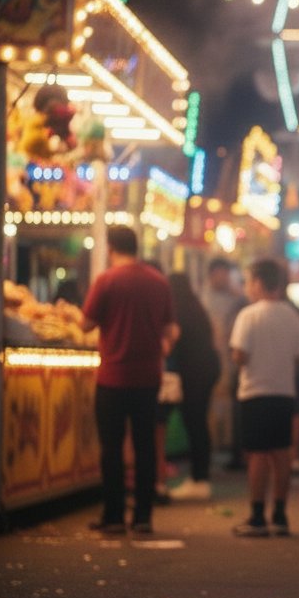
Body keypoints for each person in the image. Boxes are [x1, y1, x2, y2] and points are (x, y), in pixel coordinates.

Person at [81, 226, 177, 535]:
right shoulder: (159, 282)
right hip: (148, 377)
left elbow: (85, 324)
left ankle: (113, 516)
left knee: (112, 448)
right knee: (145, 446)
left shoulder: (106, 280)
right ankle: (143, 517)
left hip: (112, 376)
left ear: (110, 248)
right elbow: (171, 329)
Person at [229, 258, 299, 537]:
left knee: (258, 455)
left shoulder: (248, 316)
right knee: (282, 453)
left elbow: (240, 355)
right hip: (284, 393)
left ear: (259, 283)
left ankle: (258, 516)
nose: (248, 288)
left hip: (254, 393)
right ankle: (281, 514)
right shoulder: (292, 316)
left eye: (249, 281)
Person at [167, 273, 222, 500]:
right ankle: (200, 477)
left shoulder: (180, 310)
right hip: (206, 370)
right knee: (198, 422)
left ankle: (199, 478)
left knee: (195, 422)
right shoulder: (194, 306)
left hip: (195, 373)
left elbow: (173, 339)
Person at [201, 257, 248, 470]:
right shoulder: (203, 298)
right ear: (212, 274)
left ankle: (229, 448)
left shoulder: (235, 298)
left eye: (227, 274)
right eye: (222, 274)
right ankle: (213, 447)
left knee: (229, 408)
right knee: (213, 407)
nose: (225, 278)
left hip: (230, 361)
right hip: (211, 360)